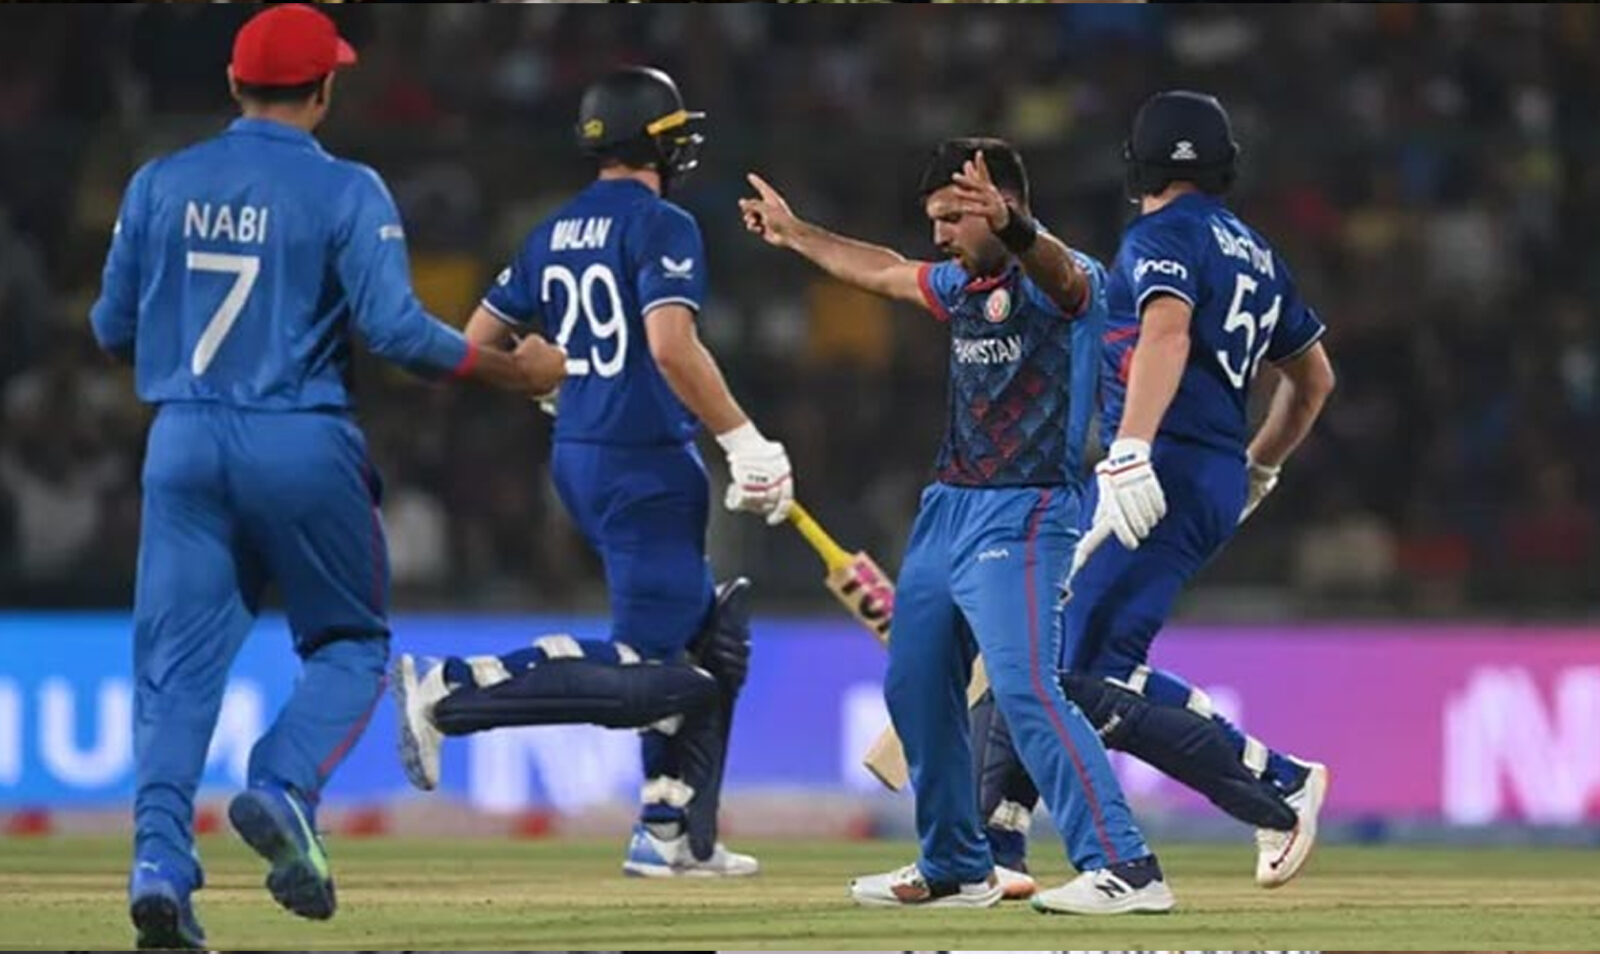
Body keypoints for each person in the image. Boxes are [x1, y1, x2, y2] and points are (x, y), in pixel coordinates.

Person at [88, 5, 566, 949]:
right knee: (350, 643)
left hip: (181, 443)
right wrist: (513, 372)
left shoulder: (156, 183)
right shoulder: (348, 189)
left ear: (234, 84)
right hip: (299, 437)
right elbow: (395, 332)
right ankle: (282, 784)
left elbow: (110, 329)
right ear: (326, 91)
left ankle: (159, 864)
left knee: (174, 676)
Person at [740, 139, 1174, 915]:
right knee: (914, 687)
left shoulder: (1064, 279)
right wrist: (796, 233)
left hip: (1028, 508)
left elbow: (1063, 277)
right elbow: (882, 270)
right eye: (934, 219)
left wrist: (1014, 229)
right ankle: (956, 867)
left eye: (953, 218)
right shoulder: (961, 284)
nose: (939, 236)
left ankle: (1127, 866)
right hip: (947, 509)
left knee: (1026, 689)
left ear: (1005, 206)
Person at [391, 65, 793, 879]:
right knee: (660, 676)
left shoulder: (551, 229)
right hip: (644, 461)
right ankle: (454, 689)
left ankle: (672, 830)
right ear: (658, 142)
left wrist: (545, 383)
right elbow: (671, 347)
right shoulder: (664, 223)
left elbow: (473, 345)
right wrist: (744, 439)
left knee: (710, 642)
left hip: (582, 453)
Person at [971, 90, 1337, 893]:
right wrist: (1259, 468)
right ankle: (999, 837)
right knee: (1077, 662)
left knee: (1066, 671)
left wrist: (1132, 448)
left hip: (1161, 466)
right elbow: (1313, 380)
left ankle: (1272, 786)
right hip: (1207, 472)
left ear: (1135, 164)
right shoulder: (1258, 254)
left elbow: (1165, 335)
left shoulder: (1159, 235)